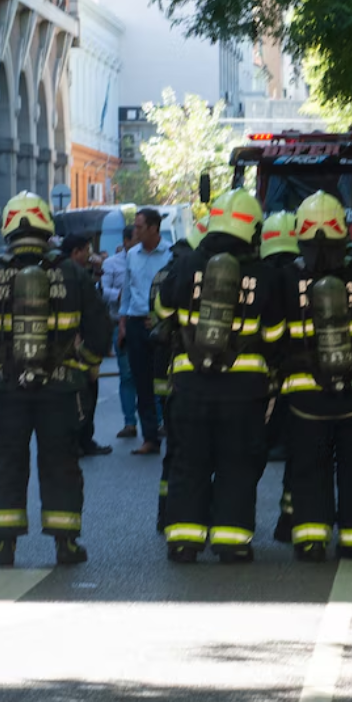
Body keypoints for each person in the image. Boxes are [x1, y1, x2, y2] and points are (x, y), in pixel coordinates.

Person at [0, 191, 112, 566]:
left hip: (6, 391)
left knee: (5, 464)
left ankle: (3, 545)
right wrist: (82, 366)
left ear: (7, 226)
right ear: (46, 225)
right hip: (61, 391)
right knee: (61, 465)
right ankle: (66, 544)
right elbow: (100, 330)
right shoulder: (73, 273)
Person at [160, 189, 286, 564]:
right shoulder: (265, 273)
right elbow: (277, 334)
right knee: (237, 463)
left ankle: (184, 540)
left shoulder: (184, 264)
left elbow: (161, 310)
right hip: (244, 391)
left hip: (190, 384)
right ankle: (232, 541)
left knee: (189, 461)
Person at [279, 192, 352, 561]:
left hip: (306, 398)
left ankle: (311, 540)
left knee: (310, 469)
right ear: (344, 233)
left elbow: (273, 336)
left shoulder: (286, 279)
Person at [150, 224, 199, 532]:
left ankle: (165, 515)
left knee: (175, 452)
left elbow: (157, 317)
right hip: (187, 368)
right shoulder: (198, 275)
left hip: (166, 368)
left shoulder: (163, 275)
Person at [256, 212, 301, 541]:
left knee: (250, 451)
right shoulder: (306, 274)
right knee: (301, 454)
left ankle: (232, 517)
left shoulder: (263, 276)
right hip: (304, 379)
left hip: (265, 379)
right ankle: (289, 520)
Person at [120, 209, 172, 456]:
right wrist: (123, 323)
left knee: (166, 382)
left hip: (162, 327)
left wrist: (161, 318)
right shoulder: (131, 255)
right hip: (136, 324)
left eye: (139, 227)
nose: (135, 230)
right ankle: (150, 438)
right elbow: (127, 292)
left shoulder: (171, 254)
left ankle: (173, 432)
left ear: (153, 228)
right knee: (142, 383)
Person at [61, 234, 113, 457]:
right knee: (84, 396)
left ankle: (82, 441)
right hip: (78, 348)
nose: (89, 255)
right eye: (86, 250)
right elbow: (93, 314)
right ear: (76, 252)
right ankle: (80, 441)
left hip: (70, 348)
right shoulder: (74, 275)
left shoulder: (63, 273)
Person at [102, 226, 139, 438]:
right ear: (125, 241)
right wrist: (120, 294)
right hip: (120, 324)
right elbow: (104, 290)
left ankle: (157, 421)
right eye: (135, 236)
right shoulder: (112, 263)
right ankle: (129, 422)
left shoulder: (148, 258)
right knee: (126, 375)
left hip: (144, 322)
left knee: (150, 373)